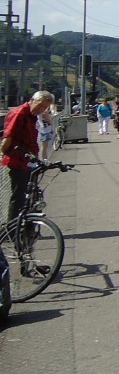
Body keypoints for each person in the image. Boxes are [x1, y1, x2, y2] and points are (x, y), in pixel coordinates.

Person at [2, 91, 55, 276]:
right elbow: (7, 137)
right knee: (18, 199)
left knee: (31, 197)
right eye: (39, 106)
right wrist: (4, 154)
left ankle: (26, 228)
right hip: (17, 161)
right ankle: (12, 230)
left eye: (44, 108)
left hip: (29, 161)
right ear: (32, 101)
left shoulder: (32, 116)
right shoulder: (19, 113)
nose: (40, 110)